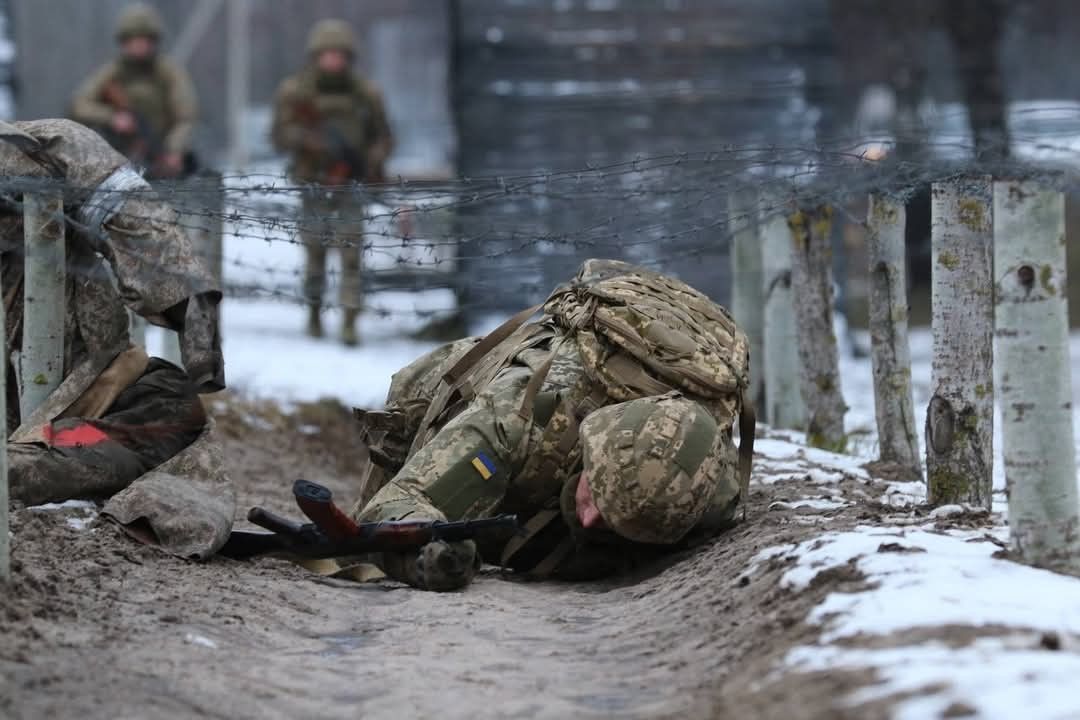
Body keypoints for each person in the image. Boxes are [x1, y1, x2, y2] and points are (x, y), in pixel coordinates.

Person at [348, 259, 755, 590]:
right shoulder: (516, 418)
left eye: (614, 518)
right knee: (409, 432)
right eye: (595, 492)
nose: (592, 518)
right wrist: (432, 551)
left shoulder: (707, 491)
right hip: (464, 393)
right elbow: (389, 505)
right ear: (591, 447)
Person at [0, 118, 232, 560]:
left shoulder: (35, 149)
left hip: (125, 408)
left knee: (57, 455)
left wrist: (199, 338)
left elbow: (135, 217)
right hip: (70, 420)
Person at [271, 19, 394, 346]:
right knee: (314, 254)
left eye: (339, 55)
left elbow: (384, 137)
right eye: (327, 54)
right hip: (313, 183)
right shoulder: (296, 92)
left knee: (352, 256)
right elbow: (279, 135)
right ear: (316, 56)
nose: (333, 61)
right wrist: (310, 141)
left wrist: (372, 160)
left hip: (351, 185)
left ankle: (350, 321)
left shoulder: (366, 93)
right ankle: (313, 314)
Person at [70, 3, 198, 180]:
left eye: (144, 40)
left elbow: (185, 117)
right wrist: (112, 117)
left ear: (153, 41)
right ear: (124, 42)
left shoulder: (169, 73)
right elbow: (80, 105)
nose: (139, 45)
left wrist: (174, 150)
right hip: (120, 155)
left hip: (160, 151)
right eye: (133, 40)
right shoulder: (112, 72)